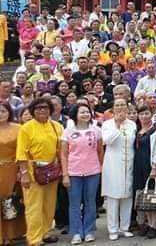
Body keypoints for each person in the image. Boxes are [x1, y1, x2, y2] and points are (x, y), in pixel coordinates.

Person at [16, 97, 63, 246]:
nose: (42, 110)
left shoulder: (56, 126)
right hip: (32, 172)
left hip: (52, 170)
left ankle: (45, 232)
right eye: (38, 108)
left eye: (45, 107)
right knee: (34, 206)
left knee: (49, 204)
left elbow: (61, 149)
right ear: (32, 111)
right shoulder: (26, 128)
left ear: (50, 110)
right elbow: (21, 153)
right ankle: (34, 238)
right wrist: (24, 174)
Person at [60, 103, 103, 244]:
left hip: (93, 171)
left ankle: (89, 230)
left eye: (87, 112)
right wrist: (65, 174)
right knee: (74, 203)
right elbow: (64, 154)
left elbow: (100, 151)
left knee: (90, 202)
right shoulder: (67, 132)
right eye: (82, 112)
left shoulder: (96, 130)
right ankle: (76, 232)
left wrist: (101, 167)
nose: (85, 114)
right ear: (75, 115)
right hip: (73, 172)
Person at [100, 98, 136, 241]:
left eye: (123, 105)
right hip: (113, 164)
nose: (120, 108)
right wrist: (119, 125)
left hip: (129, 163)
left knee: (127, 196)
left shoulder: (132, 124)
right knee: (114, 197)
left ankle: (125, 227)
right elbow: (107, 140)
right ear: (113, 109)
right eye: (117, 105)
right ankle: (113, 229)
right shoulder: (107, 124)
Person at [132, 105, 156, 239]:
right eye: (141, 114)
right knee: (141, 197)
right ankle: (143, 224)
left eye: (146, 113)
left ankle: (153, 226)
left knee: (151, 198)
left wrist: (154, 168)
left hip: (149, 167)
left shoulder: (154, 130)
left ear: (151, 114)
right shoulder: (136, 130)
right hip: (138, 167)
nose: (144, 116)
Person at [0, 102, 26, 245]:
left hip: (12, 169)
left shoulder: (18, 129)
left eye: (3, 111)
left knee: (11, 202)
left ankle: (12, 234)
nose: (0, 114)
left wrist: (20, 170)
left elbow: (22, 150)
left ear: (9, 112)